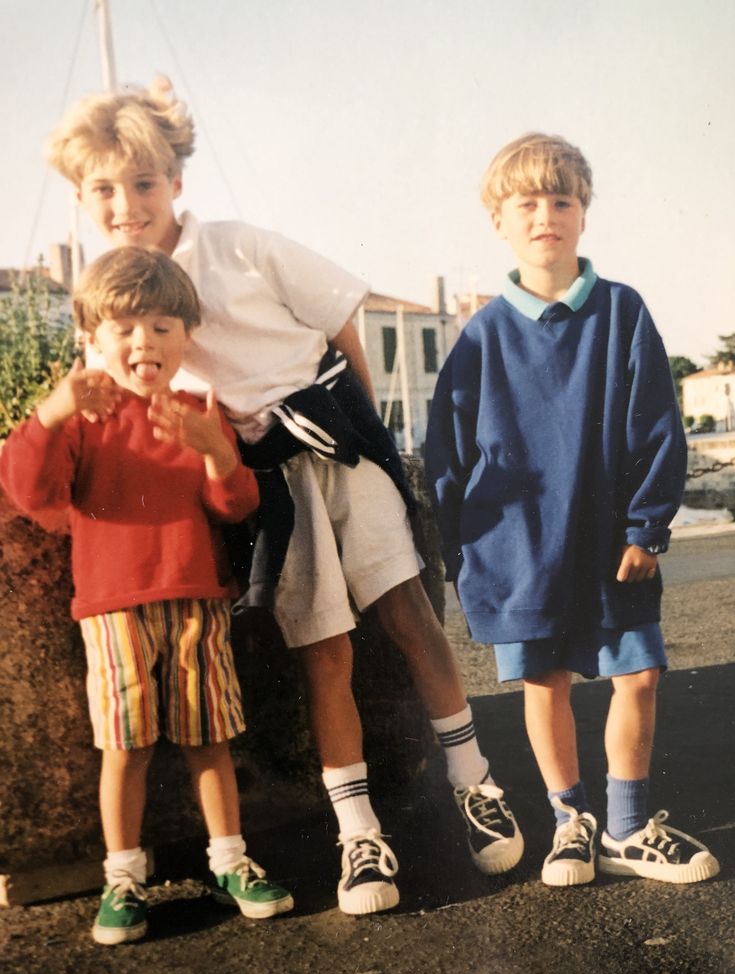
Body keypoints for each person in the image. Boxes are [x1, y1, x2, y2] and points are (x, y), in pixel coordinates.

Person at [43, 78, 524, 916]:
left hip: (335, 439)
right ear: (82, 200)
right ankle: (358, 832)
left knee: (408, 613)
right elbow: (106, 398)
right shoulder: (116, 294)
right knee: (323, 650)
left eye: (146, 184)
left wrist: (369, 437)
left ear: (177, 183)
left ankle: (473, 779)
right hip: (262, 476)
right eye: (106, 191)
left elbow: (342, 317)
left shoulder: (239, 246)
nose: (128, 205)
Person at [425, 132, 720, 887]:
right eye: (526, 202)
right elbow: (448, 459)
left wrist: (649, 525)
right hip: (519, 548)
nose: (545, 214)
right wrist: (464, 556)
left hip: (609, 539)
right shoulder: (482, 337)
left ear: (584, 213)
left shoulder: (622, 312)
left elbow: (659, 427)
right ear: (498, 220)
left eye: (562, 199)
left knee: (640, 675)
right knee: (543, 681)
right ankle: (570, 822)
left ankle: (625, 826)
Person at [0, 246, 294, 944]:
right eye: (126, 327)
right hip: (113, 609)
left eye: (163, 326)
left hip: (196, 599)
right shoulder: (81, 415)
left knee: (208, 736)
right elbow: (29, 489)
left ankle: (230, 858)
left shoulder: (198, 410)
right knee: (124, 747)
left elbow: (234, 503)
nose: (145, 342)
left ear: (187, 336)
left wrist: (216, 450)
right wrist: (52, 411)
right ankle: (123, 875)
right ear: (92, 337)